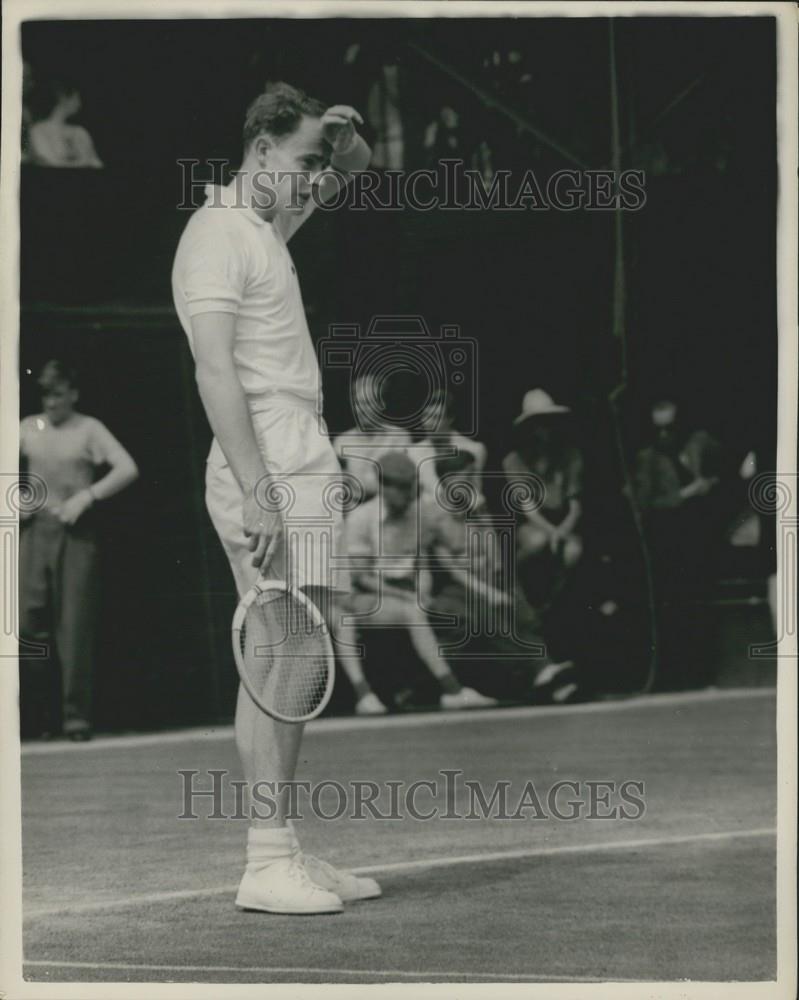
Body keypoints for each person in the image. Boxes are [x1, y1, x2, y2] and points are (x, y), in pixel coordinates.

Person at [172, 82, 382, 916]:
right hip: (264, 455)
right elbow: (213, 370)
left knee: (285, 654)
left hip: (298, 447)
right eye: (300, 162)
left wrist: (338, 135)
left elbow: (355, 167)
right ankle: (265, 860)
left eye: (313, 167)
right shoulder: (215, 233)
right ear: (260, 151)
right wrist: (260, 489)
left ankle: (280, 846)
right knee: (286, 652)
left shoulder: (267, 222)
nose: (311, 179)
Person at [19, 360, 138, 740]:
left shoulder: (89, 428)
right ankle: (39, 717)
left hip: (75, 532)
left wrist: (87, 497)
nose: (51, 402)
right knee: (26, 624)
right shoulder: (28, 427)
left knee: (74, 628)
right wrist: (16, 496)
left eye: (58, 393)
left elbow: (126, 468)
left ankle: (75, 718)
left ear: (73, 393)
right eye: (45, 394)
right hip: (36, 532)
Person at [345, 452, 497, 711]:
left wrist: (422, 589)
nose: (408, 495)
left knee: (454, 613)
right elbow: (362, 577)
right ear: (383, 487)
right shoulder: (361, 518)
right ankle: (453, 690)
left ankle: (420, 688)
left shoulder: (419, 512)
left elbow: (422, 558)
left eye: (411, 487)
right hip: (366, 596)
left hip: (408, 591)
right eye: (401, 489)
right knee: (413, 612)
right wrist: (408, 597)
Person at [428, 451, 579, 704]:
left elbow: (494, 555)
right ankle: (541, 669)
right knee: (488, 609)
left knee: (519, 607)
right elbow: (452, 570)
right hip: (455, 588)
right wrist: (489, 591)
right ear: (447, 481)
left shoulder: (477, 506)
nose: (473, 482)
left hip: (485, 578)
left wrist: (501, 581)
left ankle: (547, 675)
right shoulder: (434, 517)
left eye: (474, 476)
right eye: (467, 477)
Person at [502, 389, 584, 605]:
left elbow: (575, 505)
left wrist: (563, 530)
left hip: (562, 521)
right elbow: (528, 509)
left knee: (573, 551)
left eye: (548, 422)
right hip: (533, 522)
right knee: (537, 541)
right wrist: (552, 532)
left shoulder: (570, 455)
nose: (544, 429)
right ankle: (513, 584)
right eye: (538, 423)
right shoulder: (515, 460)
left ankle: (554, 601)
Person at [333, 371, 413, 502]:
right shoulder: (342, 441)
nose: (363, 409)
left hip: (388, 508)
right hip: (352, 509)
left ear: (380, 405)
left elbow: (400, 482)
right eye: (359, 403)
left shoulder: (399, 438)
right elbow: (338, 485)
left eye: (368, 403)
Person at [407, 388, 487, 501]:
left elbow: (475, 493)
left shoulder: (474, 449)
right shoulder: (413, 453)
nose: (428, 423)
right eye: (425, 416)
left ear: (450, 419)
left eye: (436, 417)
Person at [28, 79, 103, 168]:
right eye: (76, 98)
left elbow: (97, 163)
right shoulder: (38, 130)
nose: (79, 103)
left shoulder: (80, 132)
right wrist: (84, 162)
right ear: (63, 98)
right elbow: (51, 164)